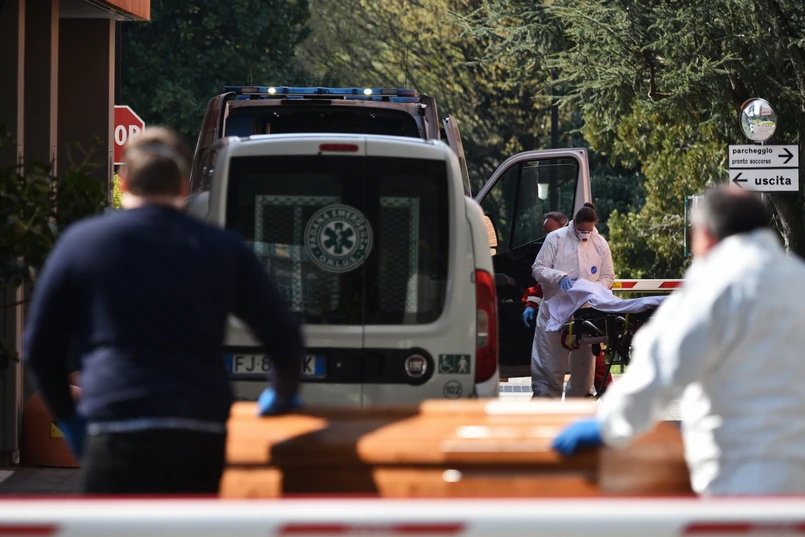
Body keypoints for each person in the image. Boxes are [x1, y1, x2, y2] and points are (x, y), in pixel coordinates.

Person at [22, 126, 304, 494]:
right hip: (198, 433)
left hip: (114, 430)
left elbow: (40, 349)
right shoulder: (222, 249)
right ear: (184, 186)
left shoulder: (82, 243)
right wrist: (282, 395)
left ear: (124, 182)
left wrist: (73, 422)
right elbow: (283, 336)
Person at [552, 186, 805, 496]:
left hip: (739, 473)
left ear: (705, 235)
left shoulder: (714, 285)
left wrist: (612, 424)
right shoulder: (798, 278)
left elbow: (662, 365)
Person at [530, 202, 615, 398]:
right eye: (582, 230)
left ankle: (577, 408)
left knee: (584, 371)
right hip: (555, 311)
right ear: (573, 223)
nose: (585, 235)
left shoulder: (600, 243)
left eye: (589, 231)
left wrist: (594, 290)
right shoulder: (555, 239)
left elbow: (607, 275)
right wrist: (559, 277)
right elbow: (538, 268)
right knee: (549, 366)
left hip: (586, 312)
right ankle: (545, 406)